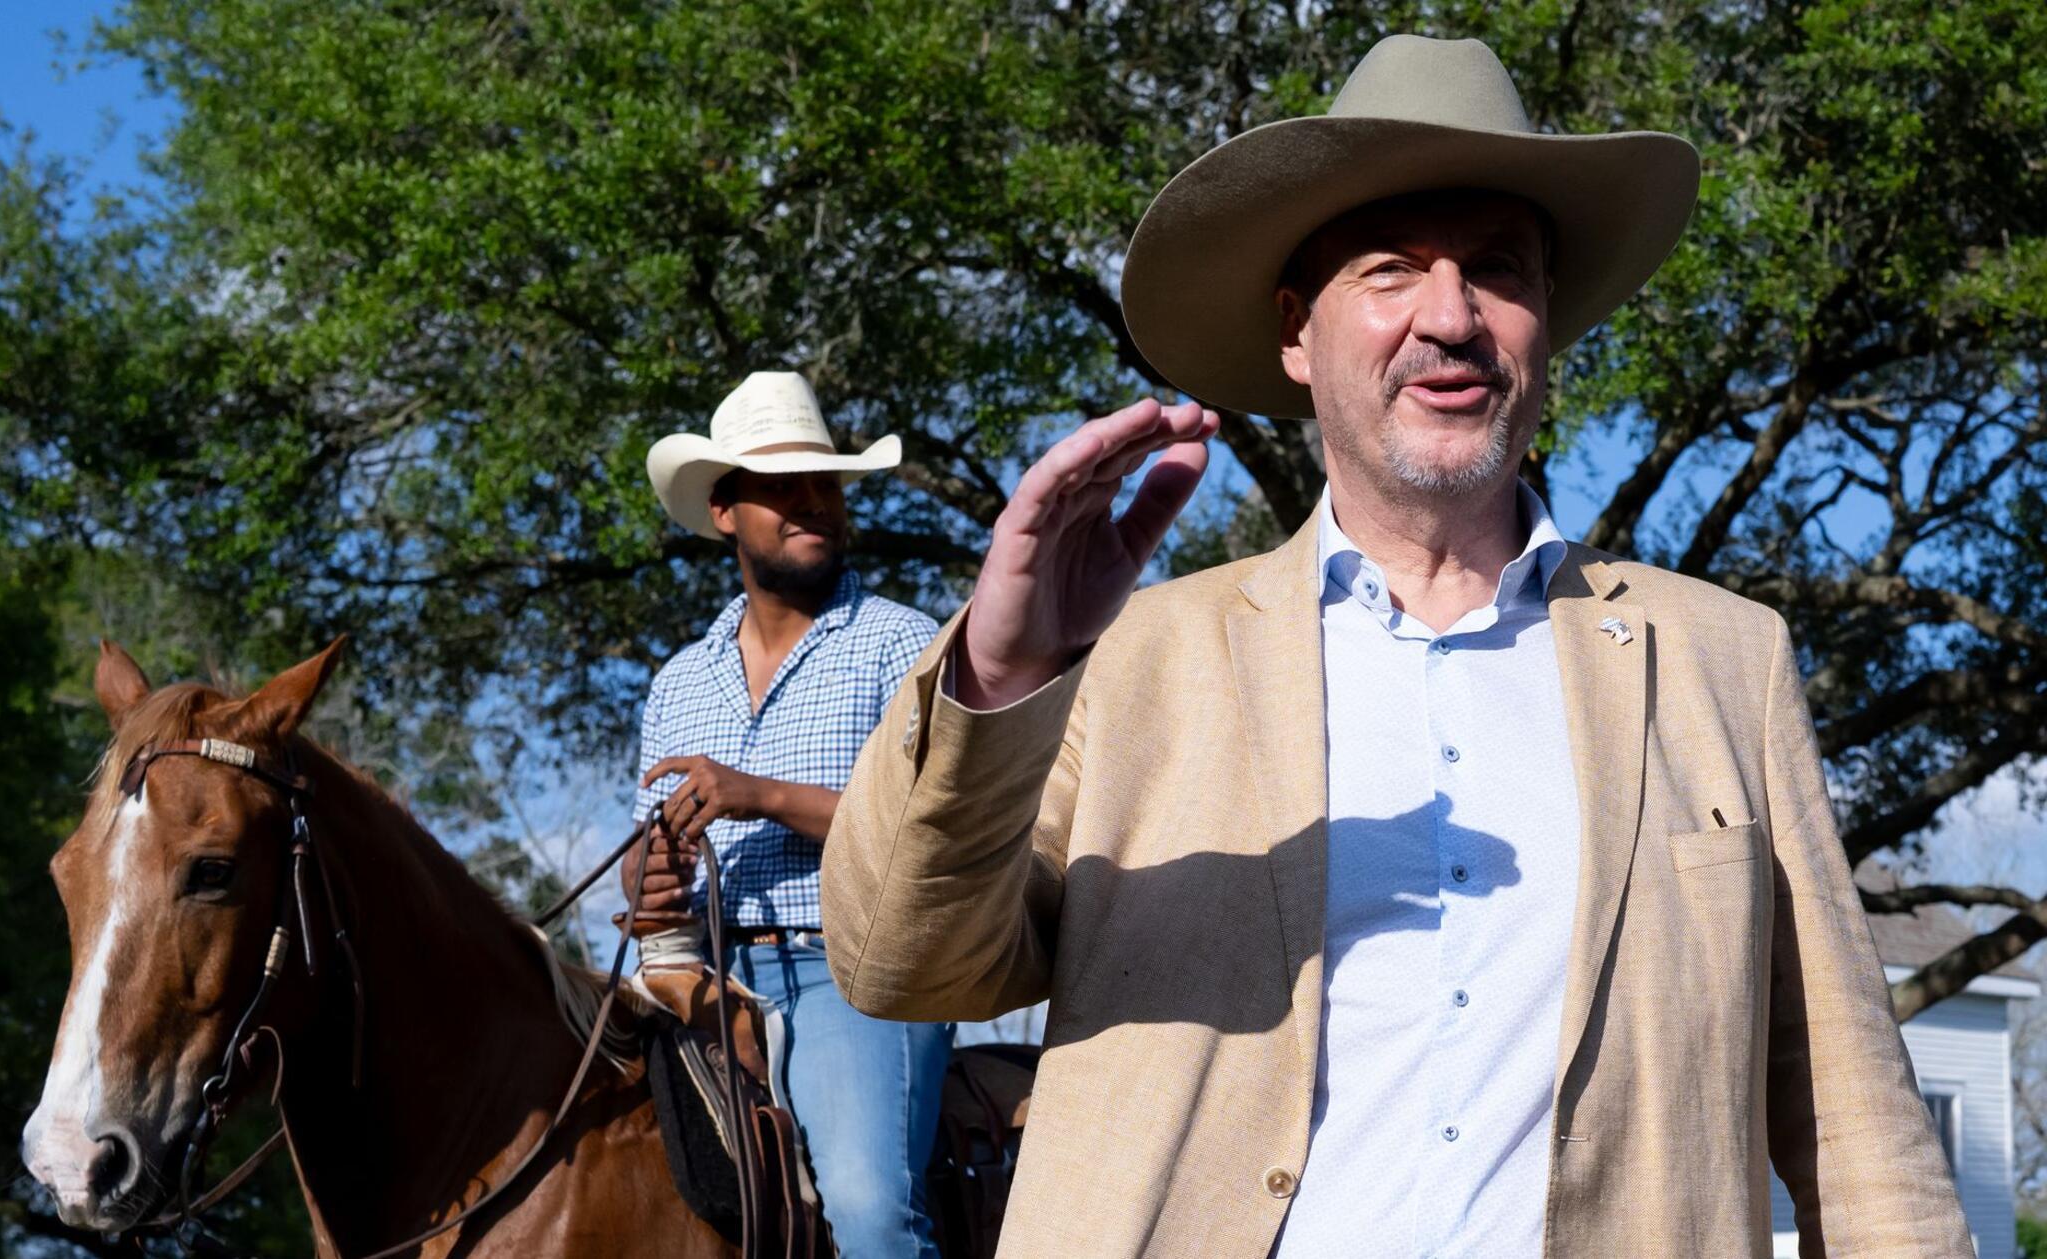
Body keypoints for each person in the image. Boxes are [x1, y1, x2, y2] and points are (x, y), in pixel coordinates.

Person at [820, 34, 1970, 1257]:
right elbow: (899, 962)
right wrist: (1001, 678)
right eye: (1389, 269)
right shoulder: (1133, 660)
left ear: (1544, 322)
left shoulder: (1721, 661)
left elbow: (1858, 1132)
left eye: (1495, 269)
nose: (1449, 316)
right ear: (1295, 332)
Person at [627, 370, 949, 1258]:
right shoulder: (679, 681)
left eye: (825, 483)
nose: (812, 501)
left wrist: (757, 793)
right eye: (781, 485)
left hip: (856, 970)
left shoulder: (901, 642)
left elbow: (930, 825)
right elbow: (646, 855)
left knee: (871, 1214)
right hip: (699, 983)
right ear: (724, 510)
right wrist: (649, 877)